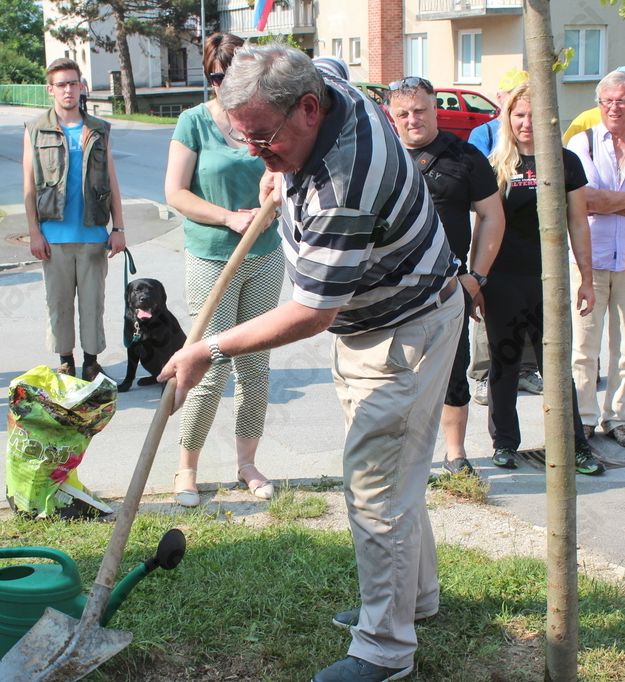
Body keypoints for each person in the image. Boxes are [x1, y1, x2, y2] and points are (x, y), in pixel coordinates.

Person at [159, 44, 464, 682]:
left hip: (401, 331)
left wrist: (208, 348)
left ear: (307, 111)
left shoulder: (342, 186)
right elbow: (318, 65)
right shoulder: (321, 85)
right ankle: (413, 601)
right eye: (244, 138)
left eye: (262, 139)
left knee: (377, 487)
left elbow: (309, 313)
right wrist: (278, 164)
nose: (254, 154)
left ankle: (385, 649)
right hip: (381, 320)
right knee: (395, 473)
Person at [165, 33, 285, 507]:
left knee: (255, 367)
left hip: (265, 257)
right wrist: (229, 218)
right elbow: (176, 192)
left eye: (232, 76)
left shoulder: (265, 121)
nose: (223, 85)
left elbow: (288, 175)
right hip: (212, 258)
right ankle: (187, 468)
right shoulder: (193, 122)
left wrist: (275, 203)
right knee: (208, 367)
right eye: (215, 77)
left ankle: (247, 464)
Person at [387, 76, 504, 476]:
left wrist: (477, 277)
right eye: (403, 113)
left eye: (420, 110)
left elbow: (492, 216)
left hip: (448, 286)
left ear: (435, 108)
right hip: (390, 288)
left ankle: (456, 454)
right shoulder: (382, 156)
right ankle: (401, 457)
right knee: (395, 375)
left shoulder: (465, 155)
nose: (413, 119)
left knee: (454, 370)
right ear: (392, 116)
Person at [484, 82, 602, 475]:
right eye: (519, 115)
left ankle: (575, 445)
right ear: (508, 118)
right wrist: (477, 280)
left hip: (548, 281)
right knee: (505, 363)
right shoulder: (498, 164)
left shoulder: (565, 162)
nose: (526, 123)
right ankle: (504, 443)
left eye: (534, 115)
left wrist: (587, 279)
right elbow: (484, 226)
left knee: (556, 366)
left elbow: (578, 223)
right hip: (503, 280)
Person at [23, 58, 126, 381]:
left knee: (93, 304)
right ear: (50, 89)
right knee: (59, 304)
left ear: (82, 87)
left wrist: (118, 227)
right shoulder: (35, 128)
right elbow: (28, 185)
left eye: (73, 83)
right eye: (61, 84)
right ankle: (65, 361)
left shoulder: (99, 129)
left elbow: (111, 179)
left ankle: (91, 362)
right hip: (53, 235)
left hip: (93, 233)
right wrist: (34, 232)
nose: (68, 90)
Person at [565, 70, 625, 448]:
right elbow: (583, 200)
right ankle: (584, 417)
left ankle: (618, 417)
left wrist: (611, 202)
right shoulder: (582, 143)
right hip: (589, 260)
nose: (615, 108)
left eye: (623, 101)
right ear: (598, 104)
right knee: (585, 346)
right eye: (608, 101)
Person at [466, 68, 542, 407]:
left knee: (529, 316)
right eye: (512, 97)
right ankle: (484, 374)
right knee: (491, 319)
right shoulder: (484, 134)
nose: (524, 118)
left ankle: (526, 369)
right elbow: (480, 198)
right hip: (497, 250)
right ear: (501, 100)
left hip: (533, 253)